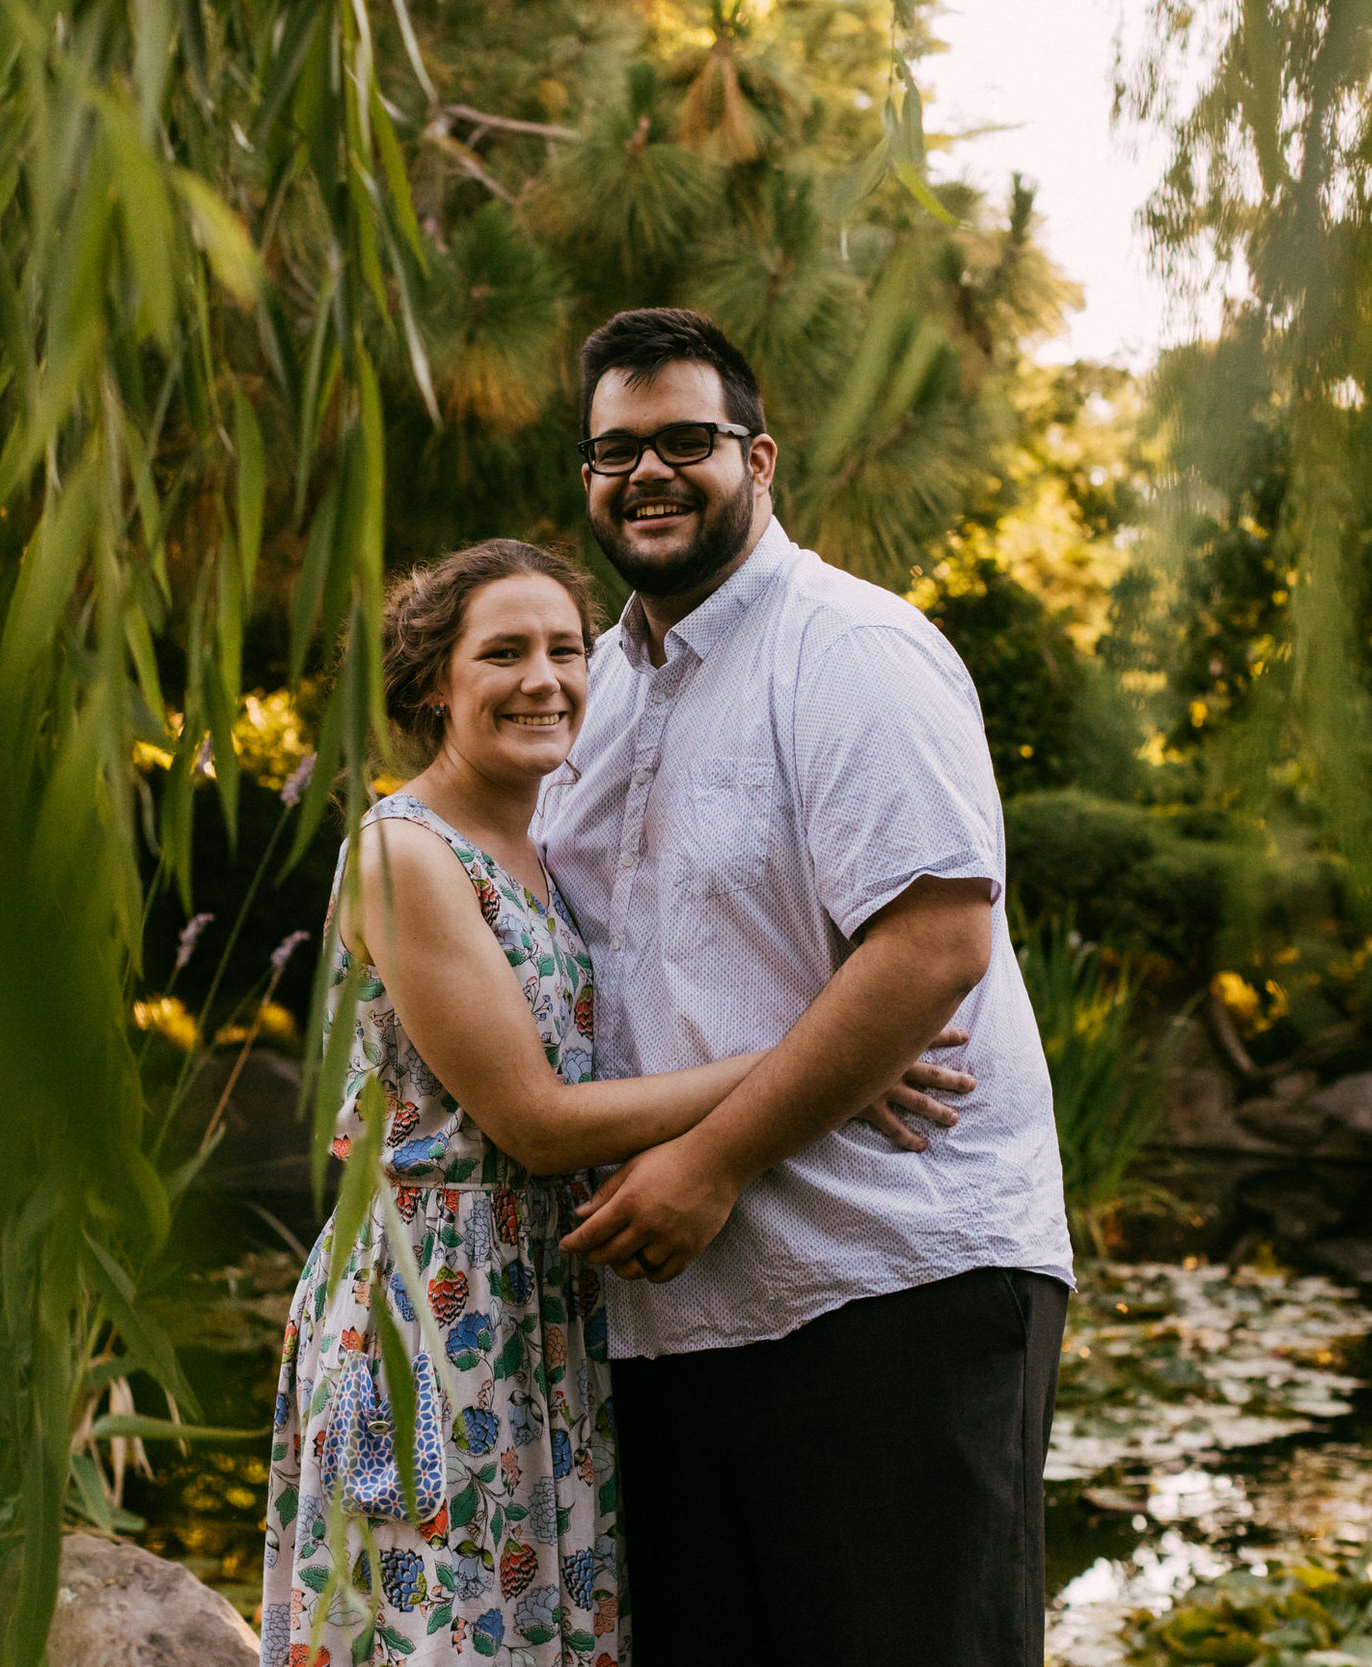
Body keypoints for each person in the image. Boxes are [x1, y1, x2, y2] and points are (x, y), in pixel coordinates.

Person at [258, 539, 971, 1667]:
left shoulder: (538, 850)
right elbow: (535, 1120)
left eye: (561, 648)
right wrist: (829, 1063)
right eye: (502, 652)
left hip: (539, 1302)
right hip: (428, 1309)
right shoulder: (405, 853)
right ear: (430, 685)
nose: (544, 677)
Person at [540, 307, 1074, 1666]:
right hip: (677, 1313)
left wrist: (714, 1153)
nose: (647, 472)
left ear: (759, 458)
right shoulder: (594, 689)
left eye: (684, 441)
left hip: (887, 1278)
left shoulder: (849, 651)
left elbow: (932, 945)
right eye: (615, 452)